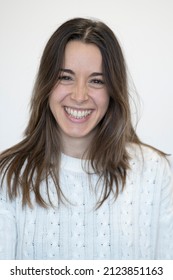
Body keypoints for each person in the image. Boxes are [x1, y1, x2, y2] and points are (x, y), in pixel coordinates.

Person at [0, 17, 173, 260]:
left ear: (113, 89)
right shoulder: (8, 176)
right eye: (66, 77)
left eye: (96, 81)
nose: (80, 96)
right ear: (47, 84)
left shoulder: (155, 173)